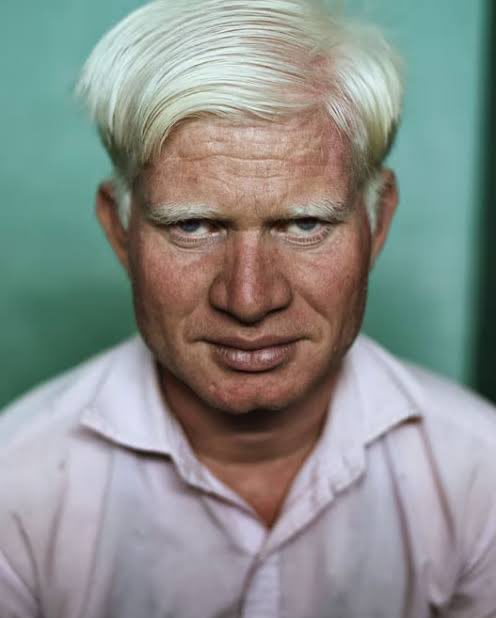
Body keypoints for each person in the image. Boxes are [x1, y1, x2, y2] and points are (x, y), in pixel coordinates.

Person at [1, 0, 495, 616]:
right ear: (120, 229)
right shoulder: (14, 489)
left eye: (305, 223)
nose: (249, 299)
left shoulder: (481, 476)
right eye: (193, 226)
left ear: (378, 219)